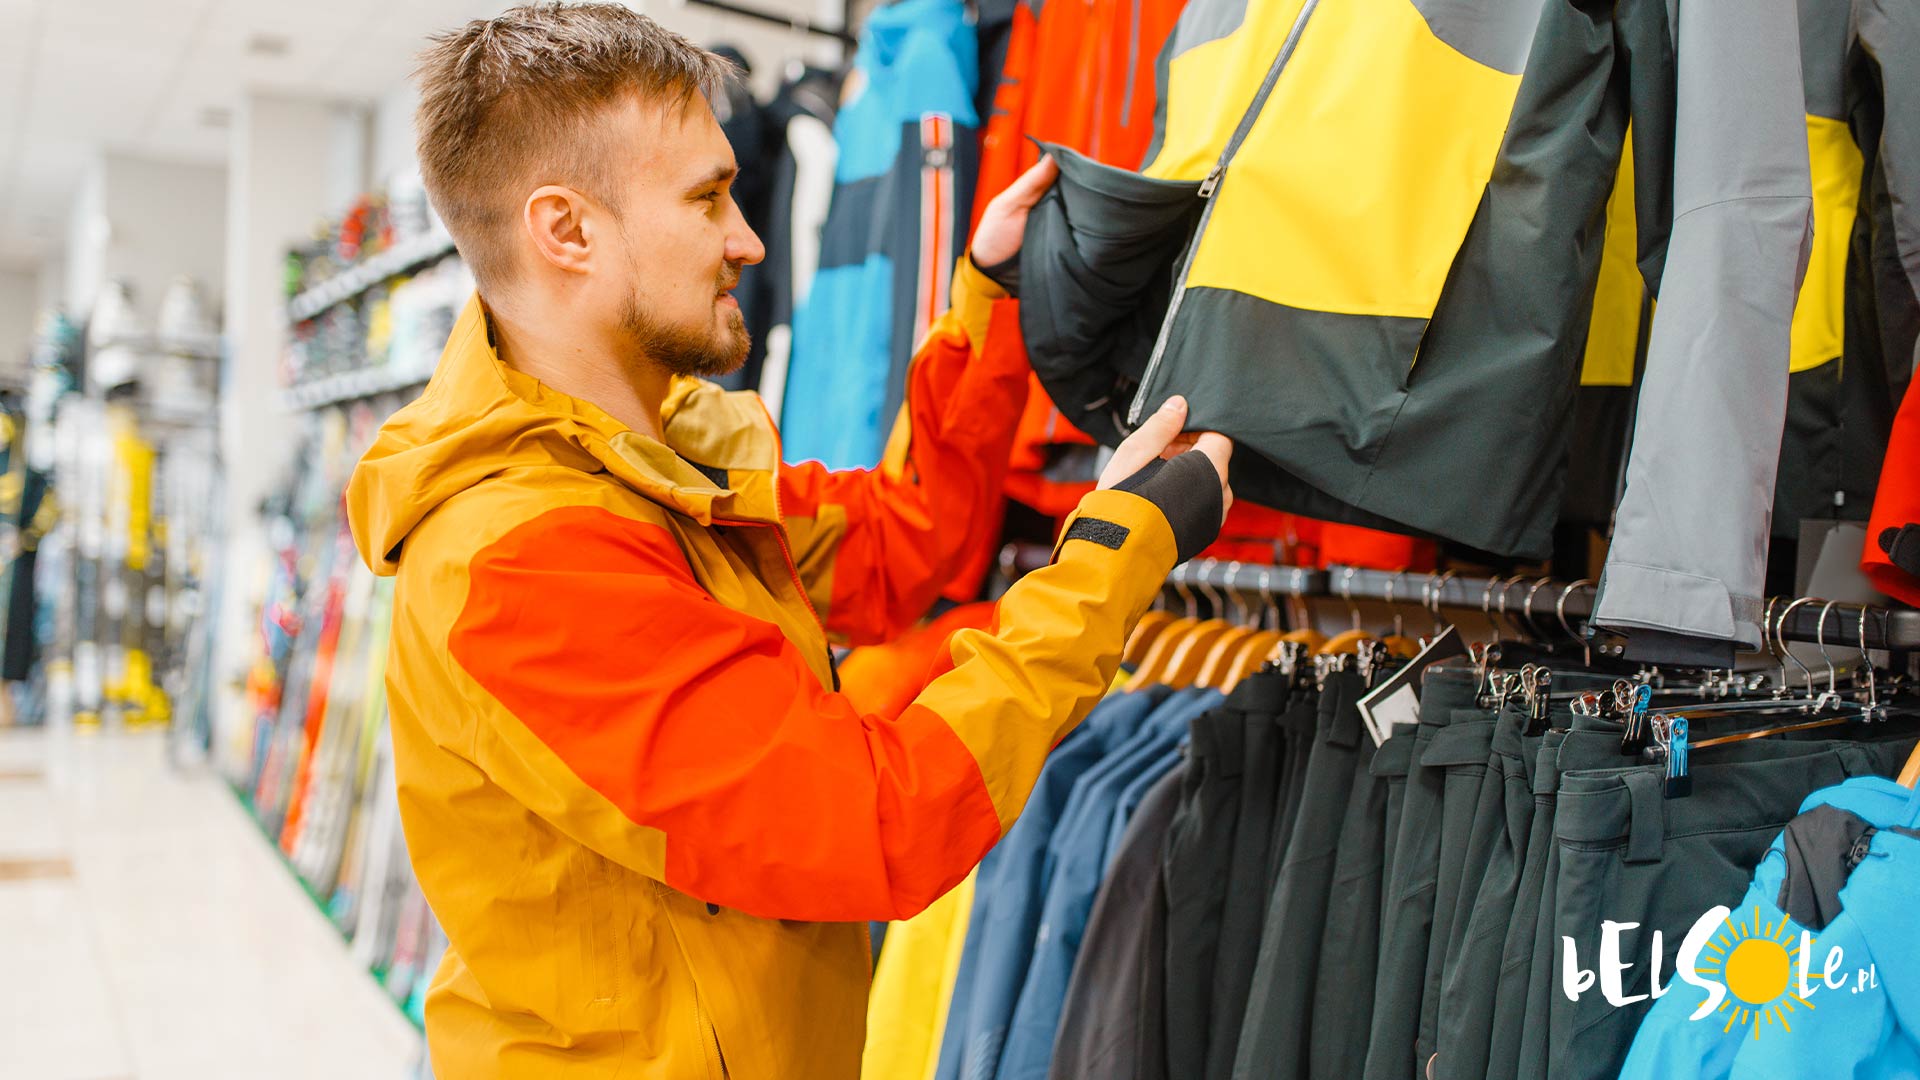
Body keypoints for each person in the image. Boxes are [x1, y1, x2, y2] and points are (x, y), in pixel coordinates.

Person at [344, 4, 1232, 1076]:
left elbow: (903, 546)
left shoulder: (656, 457)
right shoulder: (524, 561)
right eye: (706, 199)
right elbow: (876, 823)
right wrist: (1114, 559)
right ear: (566, 231)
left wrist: (989, 298)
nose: (749, 241)